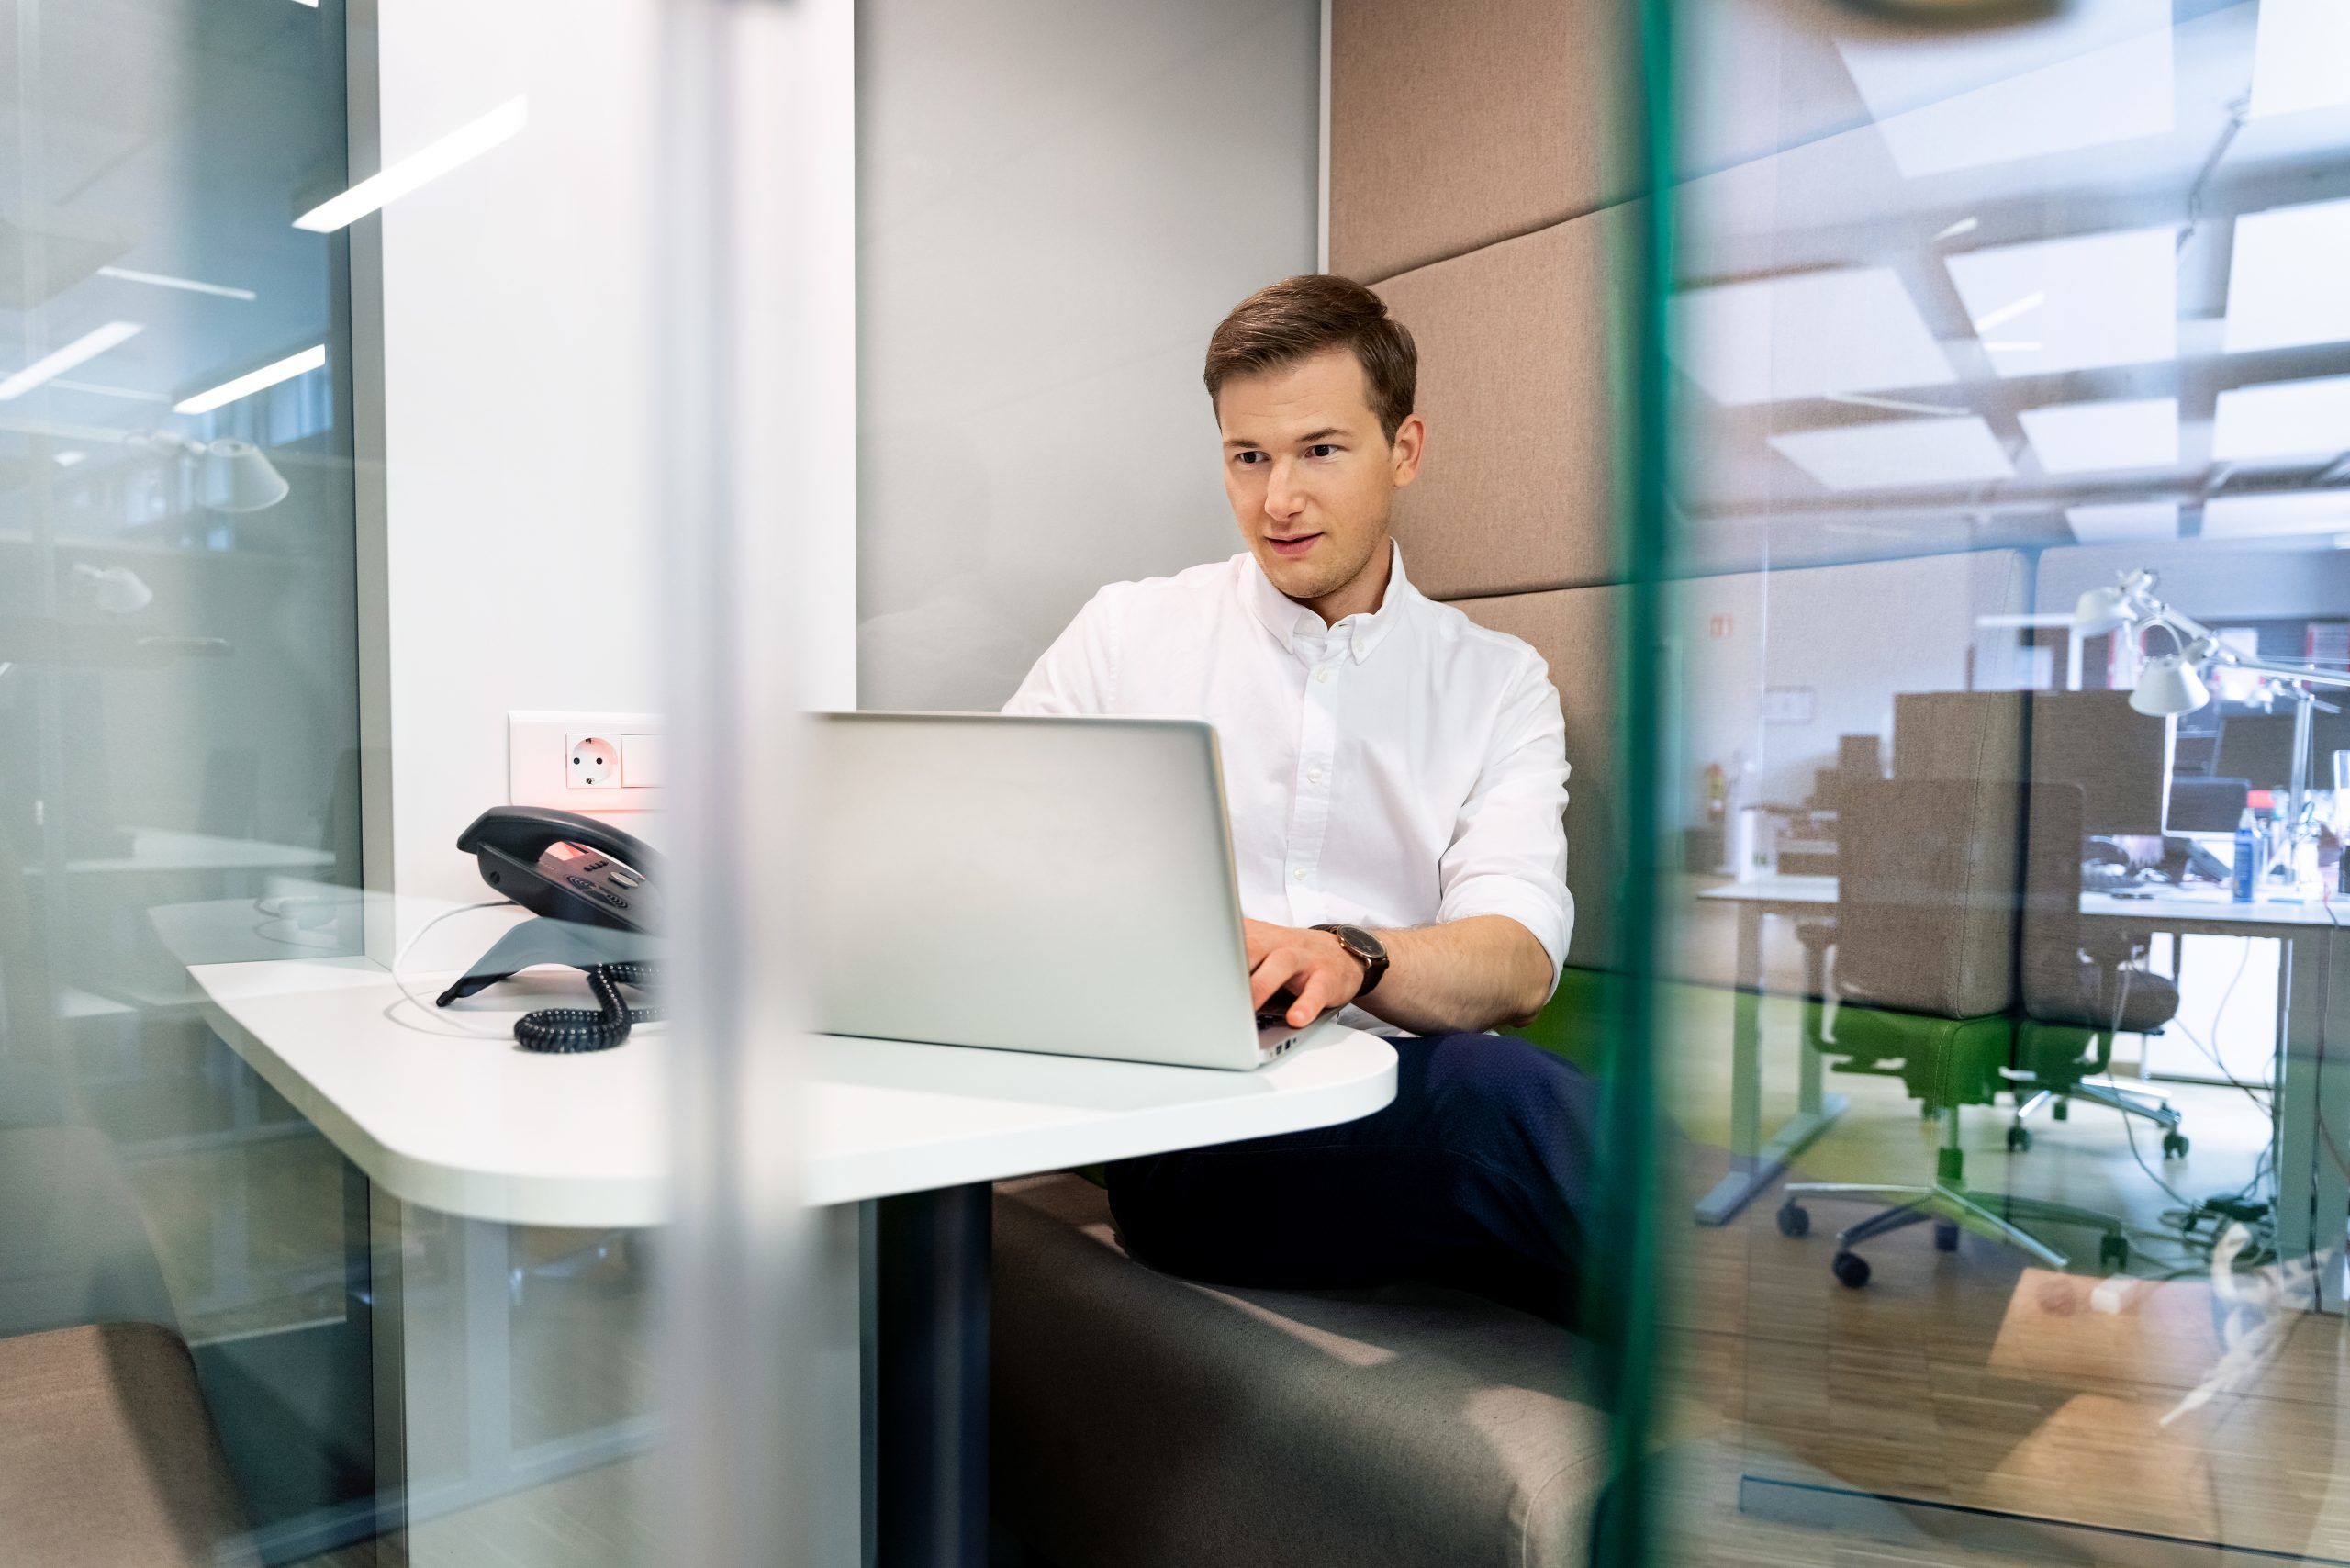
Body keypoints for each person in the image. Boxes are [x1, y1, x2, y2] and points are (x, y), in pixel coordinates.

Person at [1002, 274, 1593, 1324]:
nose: (1276, 500)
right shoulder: (1126, 635)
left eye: (1319, 450)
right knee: (1502, 1109)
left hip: (1401, 1109)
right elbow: (986, 860)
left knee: (1517, 1125)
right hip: (1193, 1130)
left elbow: (1518, 963)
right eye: (1248, 456)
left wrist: (1351, 955)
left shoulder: (1496, 682)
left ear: (1404, 449)